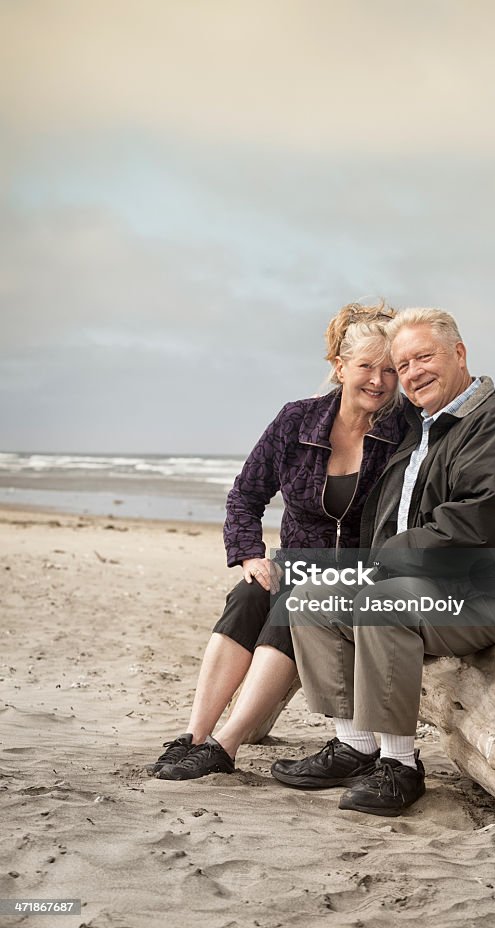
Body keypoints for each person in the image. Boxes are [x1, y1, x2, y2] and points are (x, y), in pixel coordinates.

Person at [271, 307, 495, 815]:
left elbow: (478, 530)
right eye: (404, 363)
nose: (413, 372)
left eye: (424, 357)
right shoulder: (429, 427)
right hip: (438, 578)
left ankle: (400, 765)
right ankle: (355, 745)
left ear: (459, 354)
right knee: (310, 599)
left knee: (380, 602)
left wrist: (383, 563)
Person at [147, 301, 405, 780]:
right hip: (297, 562)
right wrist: (248, 554)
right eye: (367, 366)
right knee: (248, 595)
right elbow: (245, 496)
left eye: (390, 369)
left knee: (293, 606)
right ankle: (195, 736)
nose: (378, 380)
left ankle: (226, 745)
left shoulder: (404, 432)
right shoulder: (296, 422)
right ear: (339, 367)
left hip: (361, 576)